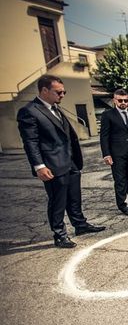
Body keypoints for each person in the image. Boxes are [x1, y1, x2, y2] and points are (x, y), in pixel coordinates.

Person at [17, 75, 105, 248]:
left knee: (74, 197)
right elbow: (30, 142)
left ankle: (80, 225)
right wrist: (39, 166)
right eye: (58, 92)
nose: (62, 95)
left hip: (70, 161)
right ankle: (59, 234)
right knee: (58, 200)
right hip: (52, 164)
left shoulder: (56, 108)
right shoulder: (30, 111)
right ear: (44, 90)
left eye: (64, 91)